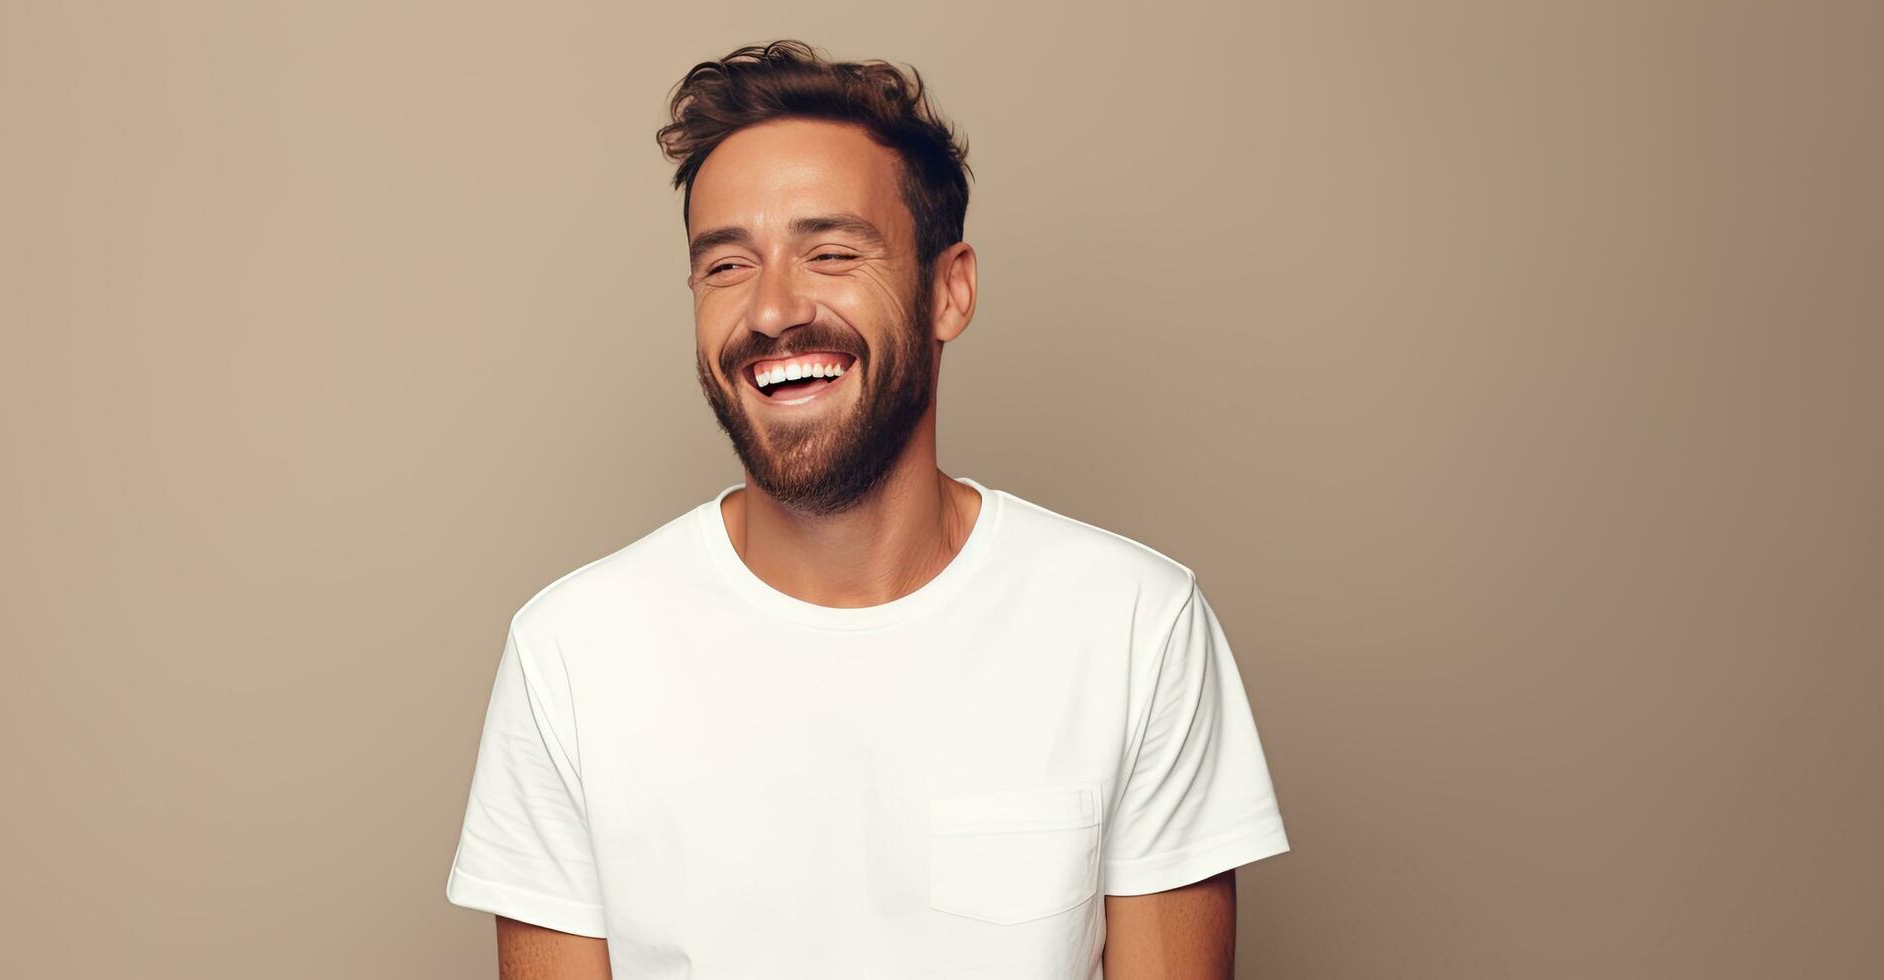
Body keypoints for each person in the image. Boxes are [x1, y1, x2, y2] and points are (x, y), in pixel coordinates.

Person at [445, 39, 1290, 980]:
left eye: (832, 253)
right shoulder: (571, 651)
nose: (770, 310)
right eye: (726, 266)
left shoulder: (1134, 625)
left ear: (948, 290)